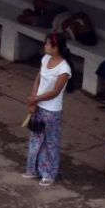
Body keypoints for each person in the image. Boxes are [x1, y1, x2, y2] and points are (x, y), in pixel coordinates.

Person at [21, 33, 72, 186]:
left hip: (51, 110)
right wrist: (33, 98)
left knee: (50, 142)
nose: (45, 46)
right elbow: (38, 79)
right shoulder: (45, 59)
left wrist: (35, 99)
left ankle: (49, 173)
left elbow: (55, 92)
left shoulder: (64, 69)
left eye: (48, 44)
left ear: (55, 48)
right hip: (39, 105)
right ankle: (34, 169)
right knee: (36, 139)